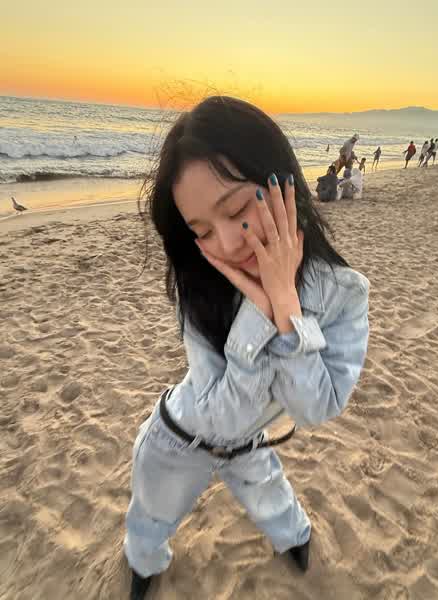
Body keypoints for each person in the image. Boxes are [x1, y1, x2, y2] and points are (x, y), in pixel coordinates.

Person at [124, 96, 370, 600]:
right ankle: (143, 564)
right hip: (178, 438)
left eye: (236, 211)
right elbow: (220, 417)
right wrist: (264, 312)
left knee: (276, 503)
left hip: (250, 442)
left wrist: (285, 308)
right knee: (151, 518)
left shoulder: (343, 293)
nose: (228, 243)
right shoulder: (200, 289)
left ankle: (295, 541)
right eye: (201, 231)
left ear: (285, 184)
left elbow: (317, 407)